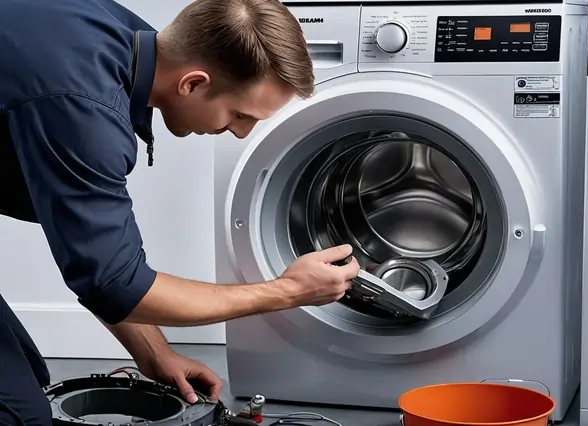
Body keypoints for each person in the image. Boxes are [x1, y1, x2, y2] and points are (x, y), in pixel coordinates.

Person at [0, 0, 361, 424]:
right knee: (19, 417)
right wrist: (287, 292)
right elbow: (115, 285)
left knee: (29, 376)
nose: (240, 131)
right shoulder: (83, 108)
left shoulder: (118, 37)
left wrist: (155, 352)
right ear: (192, 84)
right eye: (240, 114)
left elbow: (89, 253)